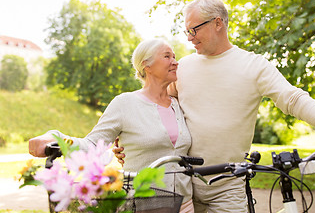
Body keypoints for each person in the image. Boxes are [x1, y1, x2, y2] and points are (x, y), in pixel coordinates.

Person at [111, 0, 315, 213]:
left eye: (194, 30)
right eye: (187, 31)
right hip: (182, 183)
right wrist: (130, 138)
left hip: (228, 186)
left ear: (218, 23)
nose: (189, 38)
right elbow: (158, 102)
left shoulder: (254, 65)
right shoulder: (184, 67)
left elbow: (293, 99)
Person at [28, 38, 195, 213]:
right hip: (143, 206)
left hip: (185, 205)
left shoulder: (177, 104)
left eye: (174, 57)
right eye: (167, 56)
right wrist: (56, 137)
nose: (175, 62)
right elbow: (92, 145)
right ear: (147, 65)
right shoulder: (125, 104)